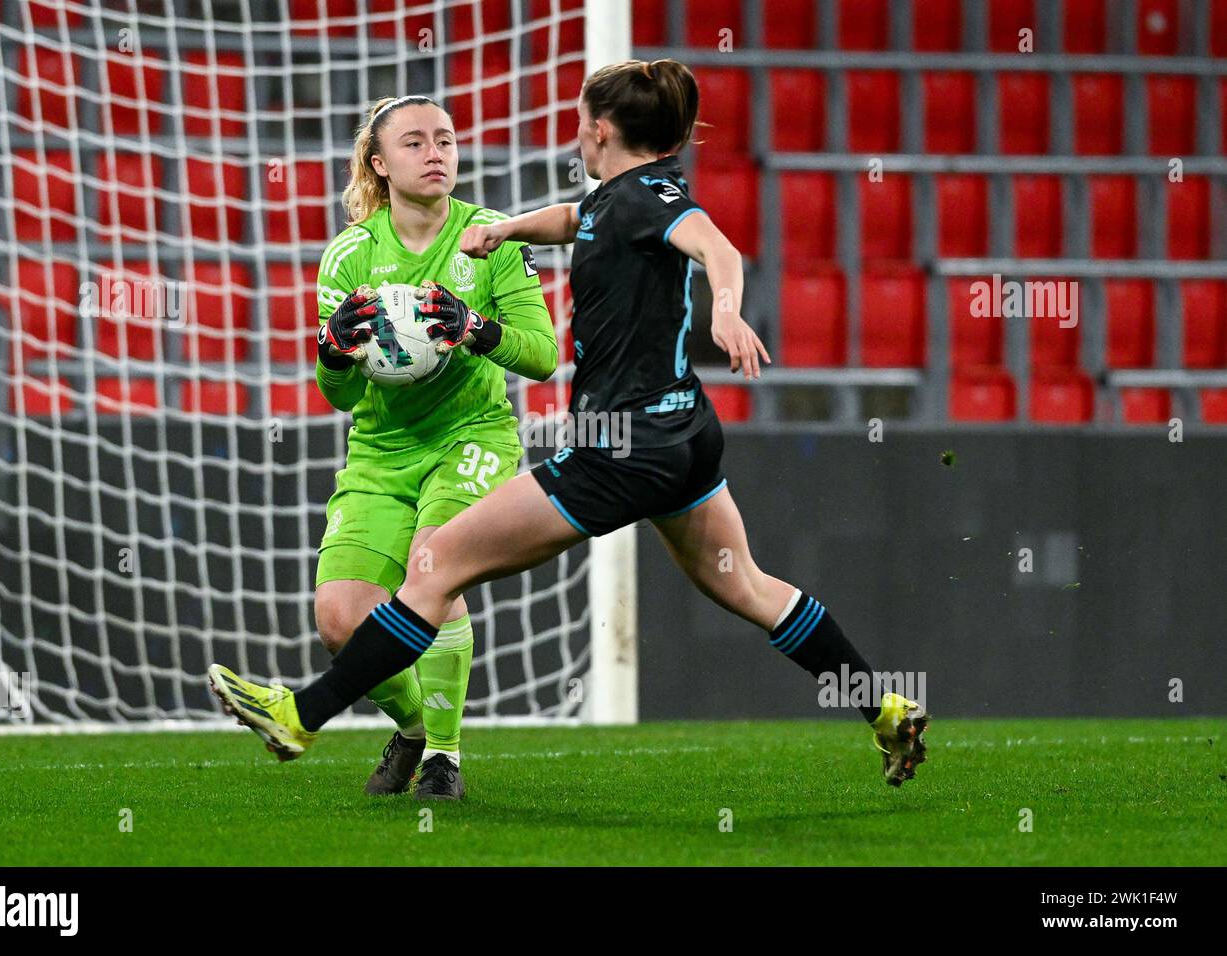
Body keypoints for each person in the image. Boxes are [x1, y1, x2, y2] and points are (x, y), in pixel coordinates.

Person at [210, 61, 928, 787]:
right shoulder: (622, 196)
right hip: (684, 434)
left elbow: (716, 245)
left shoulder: (647, 198)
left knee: (434, 568)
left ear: (601, 129)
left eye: (581, 120)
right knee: (746, 584)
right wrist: (508, 231)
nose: (575, 132)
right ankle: (882, 706)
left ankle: (302, 716)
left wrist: (727, 305)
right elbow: (576, 220)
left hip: (615, 452)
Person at [223, 94, 556, 801]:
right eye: (414, 142)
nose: (436, 152)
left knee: (436, 564)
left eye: (446, 139)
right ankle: (410, 729)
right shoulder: (349, 255)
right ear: (378, 163)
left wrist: (476, 328)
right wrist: (333, 348)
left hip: (471, 435)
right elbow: (337, 396)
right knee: (340, 619)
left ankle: (444, 755)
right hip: (380, 449)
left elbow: (544, 356)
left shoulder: (490, 236)